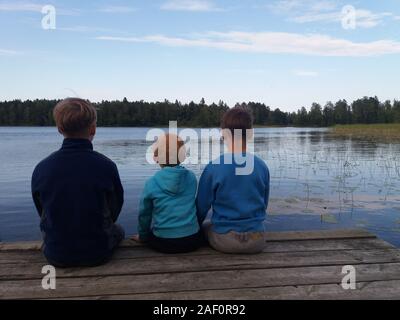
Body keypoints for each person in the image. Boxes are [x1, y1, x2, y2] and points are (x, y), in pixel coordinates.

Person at [31, 98, 125, 267]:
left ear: (59, 129)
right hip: (98, 254)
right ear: (93, 129)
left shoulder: (41, 168)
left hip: (56, 255)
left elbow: (42, 210)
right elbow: (115, 208)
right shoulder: (107, 166)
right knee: (119, 229)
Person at [196, 107, 270, 254]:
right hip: (257, 240)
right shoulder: (262, 166)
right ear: (250, 134)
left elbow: (201, 208)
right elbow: (264, 204)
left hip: (226, 241)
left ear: (223, 133)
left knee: (204, 227)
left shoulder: (213, 167)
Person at [132, 133, 203, 253]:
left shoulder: (151, 183)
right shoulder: (191, 178)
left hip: (164, 242)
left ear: (156, 157)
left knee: (151, 234)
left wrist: (143, 237)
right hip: (192, 240)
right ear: (182, 156)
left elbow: (144, 215)